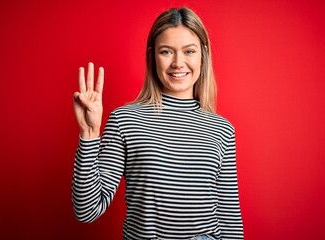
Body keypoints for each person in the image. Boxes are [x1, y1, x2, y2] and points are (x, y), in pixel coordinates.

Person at [72, 7, 243, 240]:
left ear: (203, 54)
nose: (178, 63)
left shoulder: (222, 129)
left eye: (189, 51)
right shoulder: (125, 120)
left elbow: (229, 217)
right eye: (166, 52)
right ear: (152, 56)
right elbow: (87, 211)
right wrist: (89, 133)